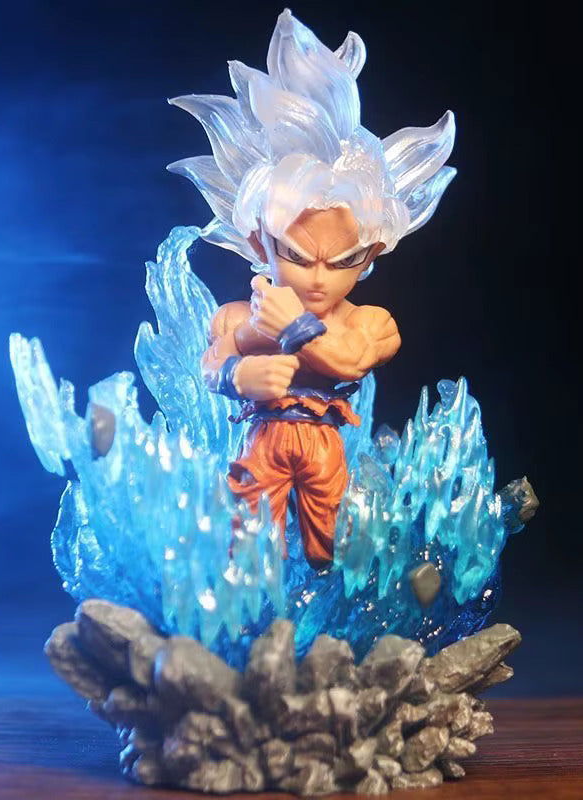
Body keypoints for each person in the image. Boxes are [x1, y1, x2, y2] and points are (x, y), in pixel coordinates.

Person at [168, 9, 456, 566]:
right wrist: (239, 374)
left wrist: (293, 329)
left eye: (343, 260)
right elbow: (211, 364)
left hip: (324, 442)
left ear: (372, 252)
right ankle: (258, 603)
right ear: (260, 242)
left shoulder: (367, 321)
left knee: (334, 542)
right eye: (298, 257)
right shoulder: (237, 316)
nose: (319, 277)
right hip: (261, 439)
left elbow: (351, 361)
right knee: (252, 543)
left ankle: (331, 602)